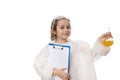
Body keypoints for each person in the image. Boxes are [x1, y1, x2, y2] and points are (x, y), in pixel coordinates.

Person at [33, 16, 112, 80]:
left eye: (68, 27)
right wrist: (55, 71)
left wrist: (101, 41)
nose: (66, 30)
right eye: (62, 27)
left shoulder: (77, 46)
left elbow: (89, 57)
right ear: (54, 31)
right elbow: (38, 63)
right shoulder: (49, 48)